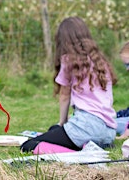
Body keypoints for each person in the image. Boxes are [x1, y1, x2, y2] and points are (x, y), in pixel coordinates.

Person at [20, 16, 118, 153]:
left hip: (85, 128)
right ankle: (96, 145)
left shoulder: (68, 60)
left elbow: (64, 96)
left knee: (28, 145)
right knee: (54, 131)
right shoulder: (100, 61)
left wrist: (62, 123)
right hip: (108, 132)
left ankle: (81, 153)